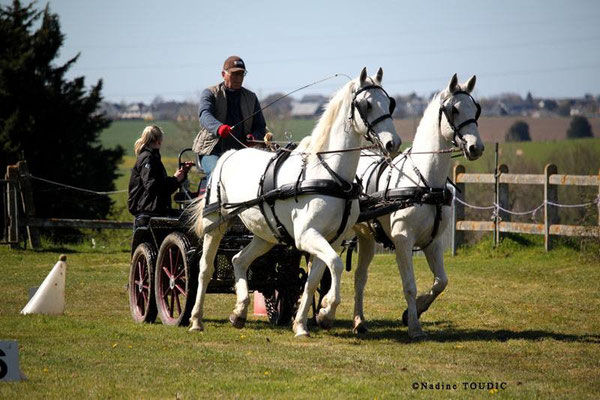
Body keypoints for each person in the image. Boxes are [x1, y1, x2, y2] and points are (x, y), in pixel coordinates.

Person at [192, 55, 272, 191]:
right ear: (223, 74)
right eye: (234, 74)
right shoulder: (210, 93)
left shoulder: (251, 97)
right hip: (212, 150)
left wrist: (254, 137)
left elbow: (260, 126)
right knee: (218, 172)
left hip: (242, 151)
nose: (238, 78)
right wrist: (219, 128)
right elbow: (204, 115)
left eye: (241, 74)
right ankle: (213, 208)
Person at [128, 125, 193, 229]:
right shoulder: (148, 158)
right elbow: (153, 186)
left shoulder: (150, 157)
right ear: (158, 141)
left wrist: (179, 177)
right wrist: (176, 179)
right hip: (149, 213)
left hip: (151, 210)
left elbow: (159, 186)